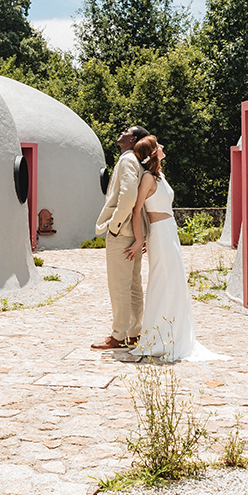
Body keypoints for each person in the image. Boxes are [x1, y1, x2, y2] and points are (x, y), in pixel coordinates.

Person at [124, 136, 225, 362]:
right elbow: (136, 209)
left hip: (170, 231)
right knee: (162, 281)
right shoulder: (148, 178)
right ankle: (156, 337)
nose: (162, 147)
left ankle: (174, 334)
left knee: (176, 281)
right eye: (158, 145)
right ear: (151, 152)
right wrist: (140, 239)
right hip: (159, 233)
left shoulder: (160, 176)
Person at [91, 125, 151, 350]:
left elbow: (128, 196)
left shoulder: (127, 160)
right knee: (133, 285)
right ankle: (134, 332)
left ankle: (118, 336)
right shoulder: (136, 161)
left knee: (119, 286)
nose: (121, 132)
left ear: (133, 138)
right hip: (133, 233)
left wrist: (114, 226)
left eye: (126, 130)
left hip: (122, 233)